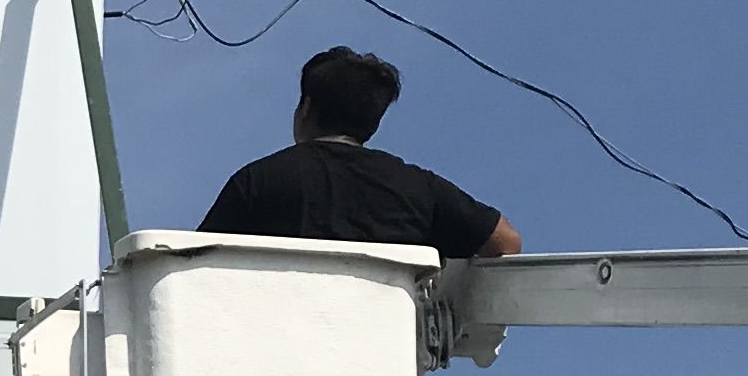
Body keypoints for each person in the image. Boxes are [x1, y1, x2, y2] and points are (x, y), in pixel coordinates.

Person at [198, 45, 523, 260]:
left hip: (281, 350)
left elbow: (189, 268)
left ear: (307, 107)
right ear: (371, 123)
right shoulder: (418, 187)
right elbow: (505, 243)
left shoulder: (260, 181)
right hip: (385, 356)